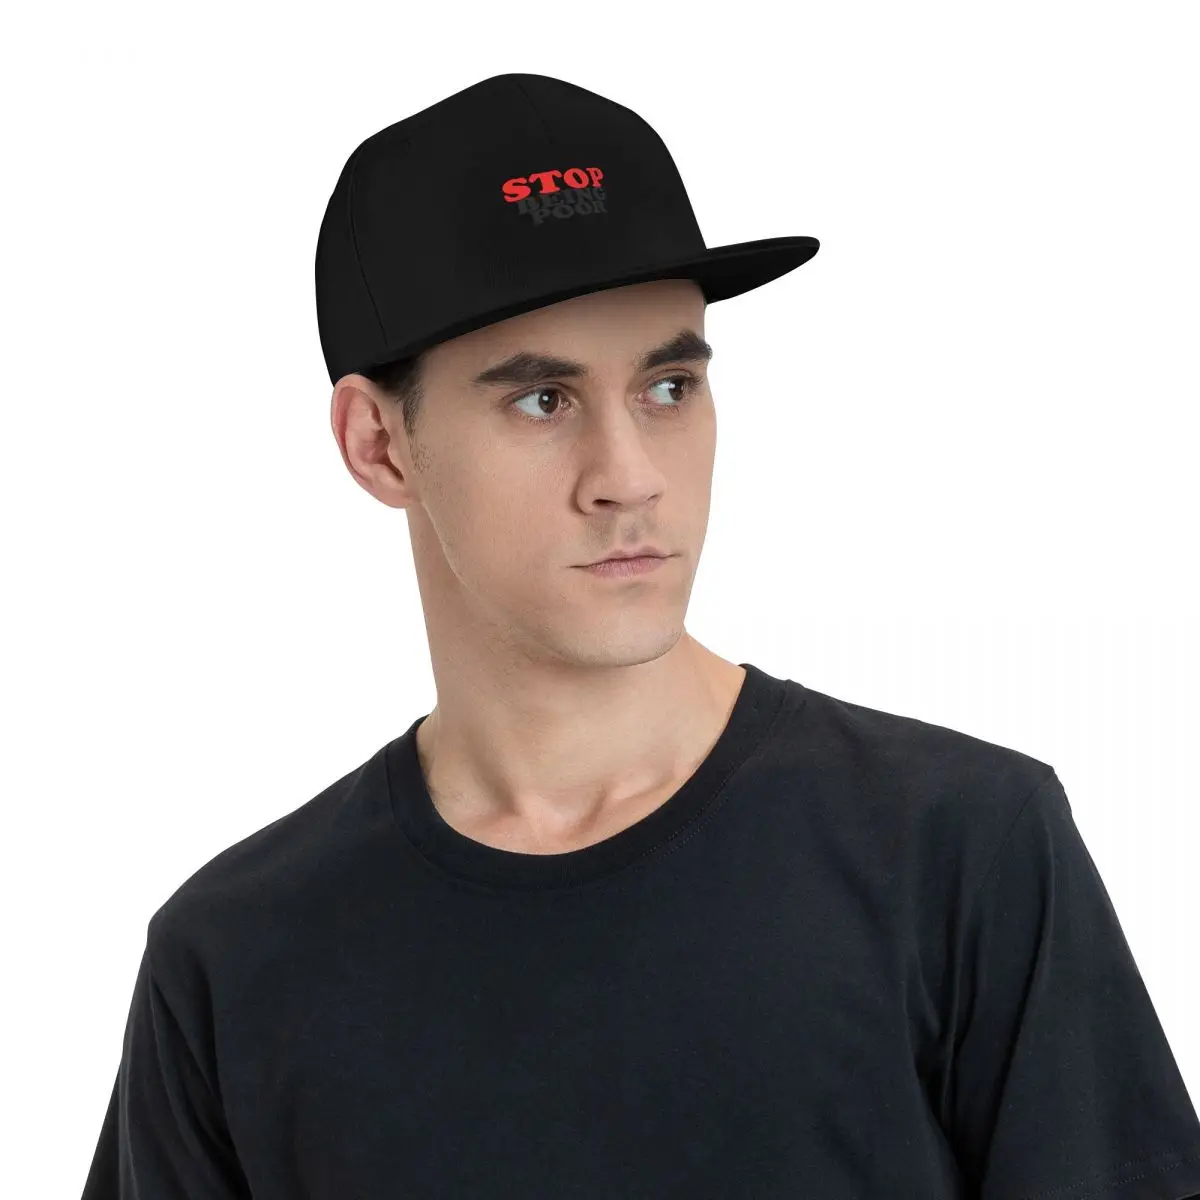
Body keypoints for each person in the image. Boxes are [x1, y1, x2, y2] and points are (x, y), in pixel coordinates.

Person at [81, 73, 1200, 1199]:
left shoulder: (961, 851)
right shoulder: (235, 960)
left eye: (668, 386)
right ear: (379, 443)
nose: (629, 477)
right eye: (542, 400)